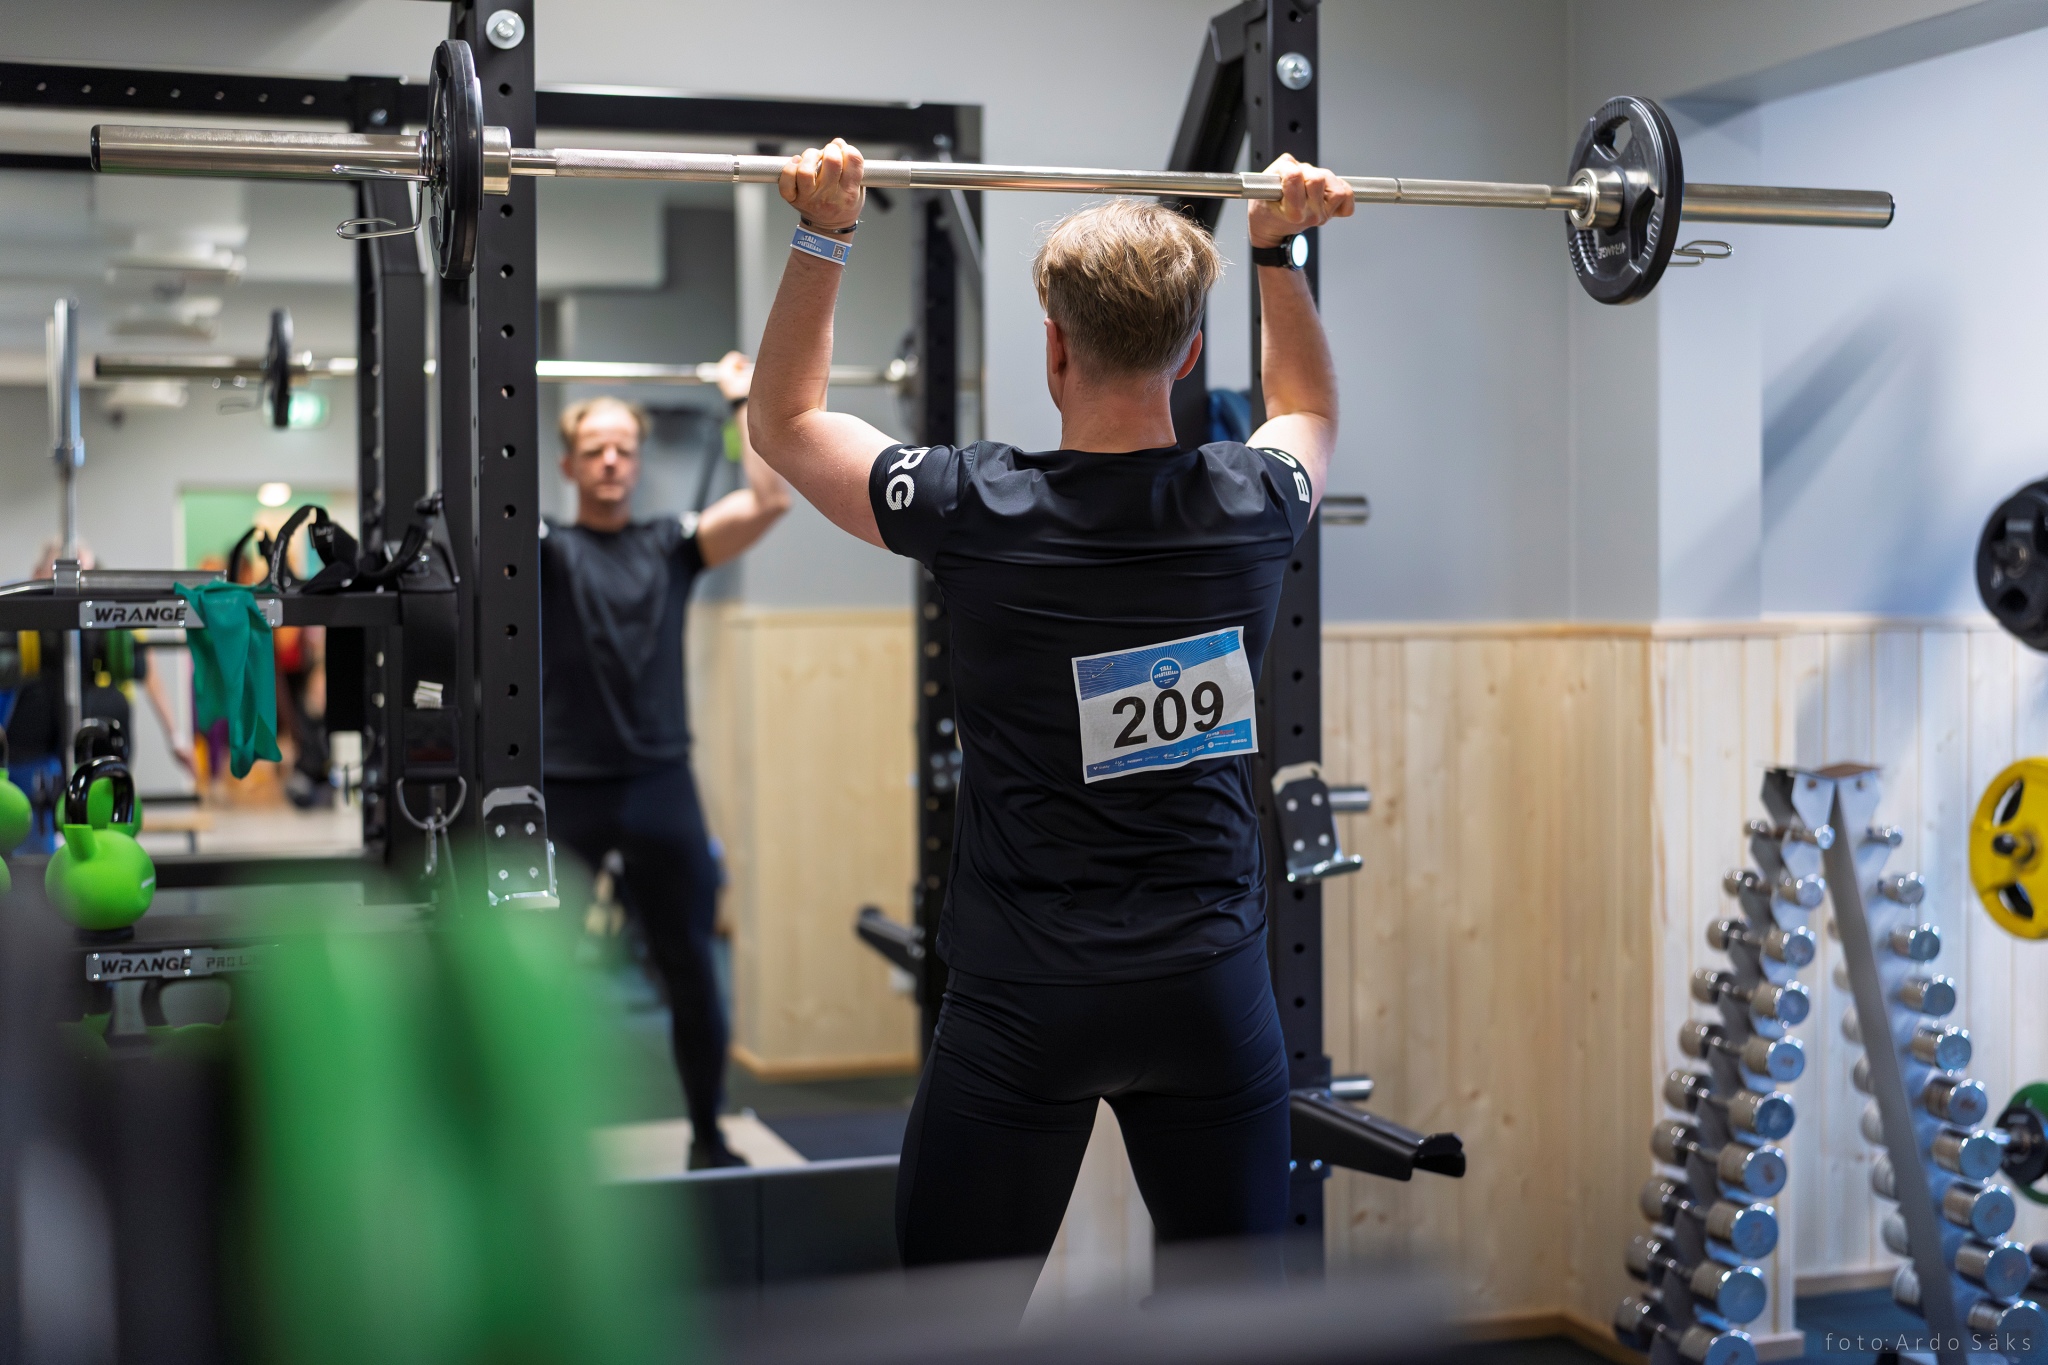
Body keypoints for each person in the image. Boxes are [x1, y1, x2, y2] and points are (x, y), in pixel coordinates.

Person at [748, 141, 1353, 1266]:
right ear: (1189, 354)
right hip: (1209, 991)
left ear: (1053, 347)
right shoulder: (1255, 499)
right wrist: (1278, 251)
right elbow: (1307, 404)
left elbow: (783, 422)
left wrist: (825, 231)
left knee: (954, 1323)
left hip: (1024, 1000)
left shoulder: (974, 504)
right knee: (1230, 1328)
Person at [540, 354, 791, 1169]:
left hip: (659, 783)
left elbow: (771, 499)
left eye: (624, 448)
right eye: (595, 450)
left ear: (640, 461)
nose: (612, 461)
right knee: (538, 974)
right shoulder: (543, 550)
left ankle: (708, 1135)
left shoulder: (672, 545)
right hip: (564, 789)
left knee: (691, 968)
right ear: (569, 465)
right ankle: (537, 1144)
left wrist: (745, 399)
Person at [4, 540, 194, 850]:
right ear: (37, 574)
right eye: (58, 573)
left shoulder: (108, 618)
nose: (75, 586)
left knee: (112, 709)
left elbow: (148, 672)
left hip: (90, 734)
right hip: (33, 748)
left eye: (84, 573)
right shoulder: (16, 617)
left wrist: (176, 737)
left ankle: (102, 833)